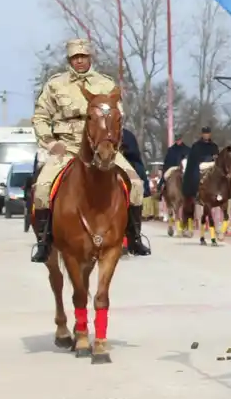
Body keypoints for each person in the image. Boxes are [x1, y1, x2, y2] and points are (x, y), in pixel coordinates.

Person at [29, 38, 148, 263]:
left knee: (137, 184)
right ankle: (44, 242)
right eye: (75, 57)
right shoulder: (56, 85)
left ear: (90, 58)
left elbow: (117, 118)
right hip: (67, 146)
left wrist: (112, 144)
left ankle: (134, 237)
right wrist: (50, 142)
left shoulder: (105, 84)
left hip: (102, 147)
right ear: (69, 59)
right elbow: (40, 117)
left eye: (83, 56)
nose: (80, 61)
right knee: (43, 189)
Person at [181, 126, 220, 207]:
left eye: (208, 134)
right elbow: (195, 157)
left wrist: (215, 157)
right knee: (195, 176)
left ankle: (223, 192)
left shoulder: (214, 146)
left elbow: (217, 155)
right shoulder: (197, 145)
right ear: (202, 134)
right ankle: (196, 193)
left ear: (210, 134)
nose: (206, 135)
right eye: (205, 134)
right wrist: (207, 158)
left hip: (213, 164)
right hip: (201, 164)